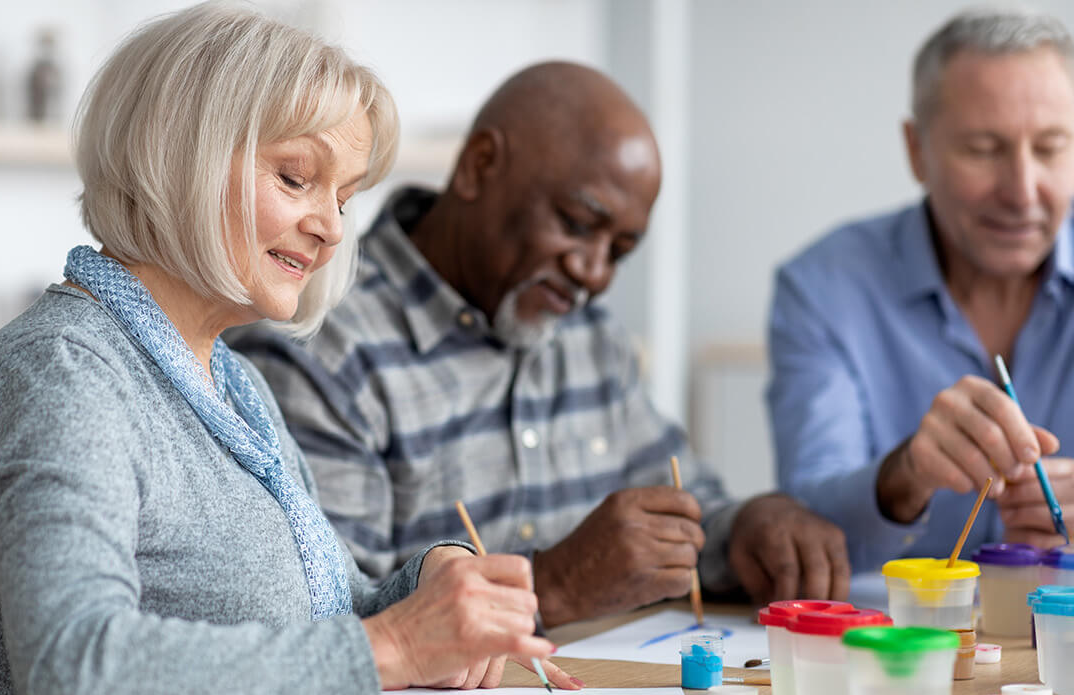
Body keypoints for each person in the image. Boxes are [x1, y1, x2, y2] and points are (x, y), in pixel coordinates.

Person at [0, 3, 574, 695]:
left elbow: (323, 618)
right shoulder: (61, 376)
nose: (331, 226)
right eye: (297, 178)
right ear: (177, 159)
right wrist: (392, 648)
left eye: (344, 196)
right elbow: (77, 672)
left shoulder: (232, 384)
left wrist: (429, 585)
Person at [230, 62, 850, 628]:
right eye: (578, 225)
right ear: (478, 166)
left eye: (621, 251)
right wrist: (553, 586)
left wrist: (744, 528)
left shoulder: (589, 338)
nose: (594, 272)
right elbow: (332, 618)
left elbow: (688, 511)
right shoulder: (318, 343)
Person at [767, 8, 1074, 570]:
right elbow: (806, 520)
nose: (1022, 190)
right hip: (902, 638)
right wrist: (905, 475)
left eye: (1051, 147)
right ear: (917, 150)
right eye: (984, 149)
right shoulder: (820, 288)